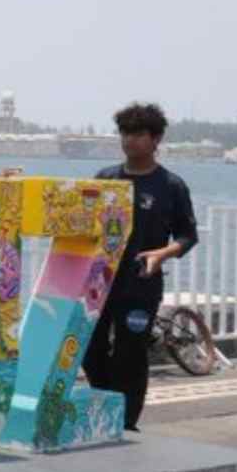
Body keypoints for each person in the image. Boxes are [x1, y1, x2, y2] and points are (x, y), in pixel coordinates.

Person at [85, 102, 199, 432]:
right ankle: (105, 404)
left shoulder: (171, 186)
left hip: (141, 285)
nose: (129, 141)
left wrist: (161, 254)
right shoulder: (106, 179)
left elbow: (187, 236)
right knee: (89, 349)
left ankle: (126, 423)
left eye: (138, 134)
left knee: (130, 354)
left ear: (156, 138)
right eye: (124, 133)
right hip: (99, 283)